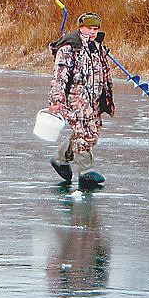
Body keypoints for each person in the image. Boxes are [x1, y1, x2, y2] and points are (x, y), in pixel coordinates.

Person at [48, 12, 115, 188]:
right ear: (80, 27)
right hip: (75, 98)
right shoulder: (69, 47)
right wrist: (57, 100)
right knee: (82, 133)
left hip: (94, 98)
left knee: (91, 134)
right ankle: (85, 172)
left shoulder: (97, 47)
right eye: (89, 28)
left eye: (95, 29)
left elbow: (103, 73)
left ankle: (60, 157)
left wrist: (106, 94)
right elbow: (59, 76)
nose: (93, 32)